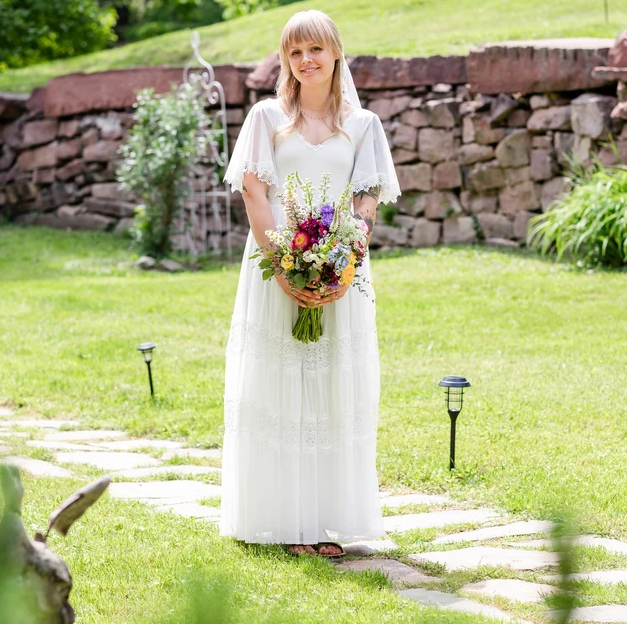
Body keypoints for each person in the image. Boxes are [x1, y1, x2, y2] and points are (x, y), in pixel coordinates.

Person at [220, 9, 400, 556]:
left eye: (315, 49)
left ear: (336, 53)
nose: (306, 61)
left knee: (331, 392)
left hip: (342, 265)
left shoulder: (363, 123)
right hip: (276, 261)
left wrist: (351, 247)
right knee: (280, 385)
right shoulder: (265, 117)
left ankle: (325, 522)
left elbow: (367, 193)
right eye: (295, 52)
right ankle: (283, 521)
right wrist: (283, 263)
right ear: (286, 61)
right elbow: (255, 192)